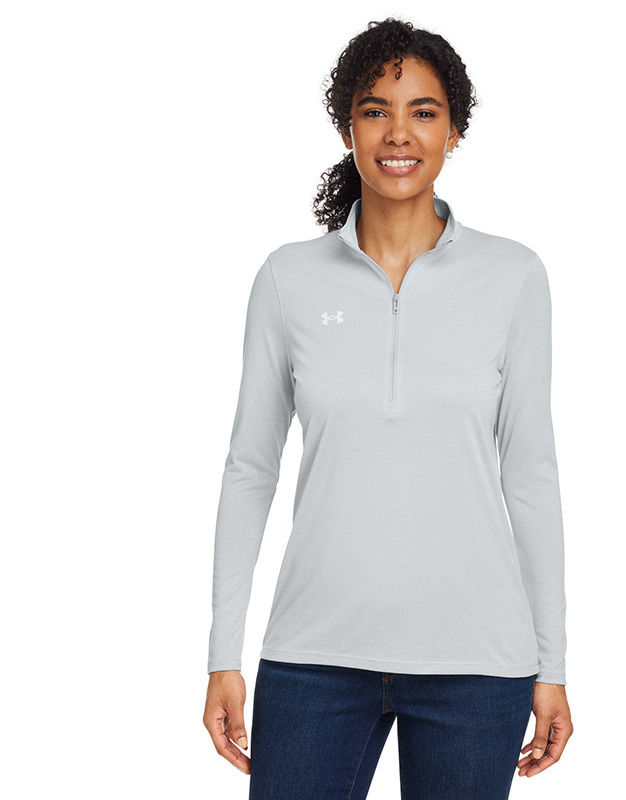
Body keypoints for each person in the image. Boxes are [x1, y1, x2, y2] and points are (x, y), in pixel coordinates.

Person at [203, 17, 573, 799]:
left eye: (423, 112)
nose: (398, 133)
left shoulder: (513, 277)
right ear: (347, 128)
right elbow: (249, 468)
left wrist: (554, 665)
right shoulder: (287, 280)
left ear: (454, 130)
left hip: (478, 663)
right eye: (375, 110)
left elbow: (531, 474)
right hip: (313, 655)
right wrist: (222, 654)